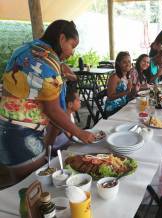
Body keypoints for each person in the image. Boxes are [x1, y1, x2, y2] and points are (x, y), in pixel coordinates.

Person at [0, 20, 96, 187]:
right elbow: (53, 111)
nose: (73, 53)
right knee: (34, 189)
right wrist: (80, 133)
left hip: (6, 128)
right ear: (62, 38)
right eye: (72, 45)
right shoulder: (48, 65)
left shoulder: (25, 49)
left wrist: (60, 65)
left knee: (22, 188)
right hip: (22, 136)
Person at [44, 81, 80, 154]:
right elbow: (48, 147)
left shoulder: (70, 115)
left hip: (68, 147)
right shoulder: (59, 121)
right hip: (58, 153)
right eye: (78, 100)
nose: (80, 101)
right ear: (70, 104)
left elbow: (71, 136)